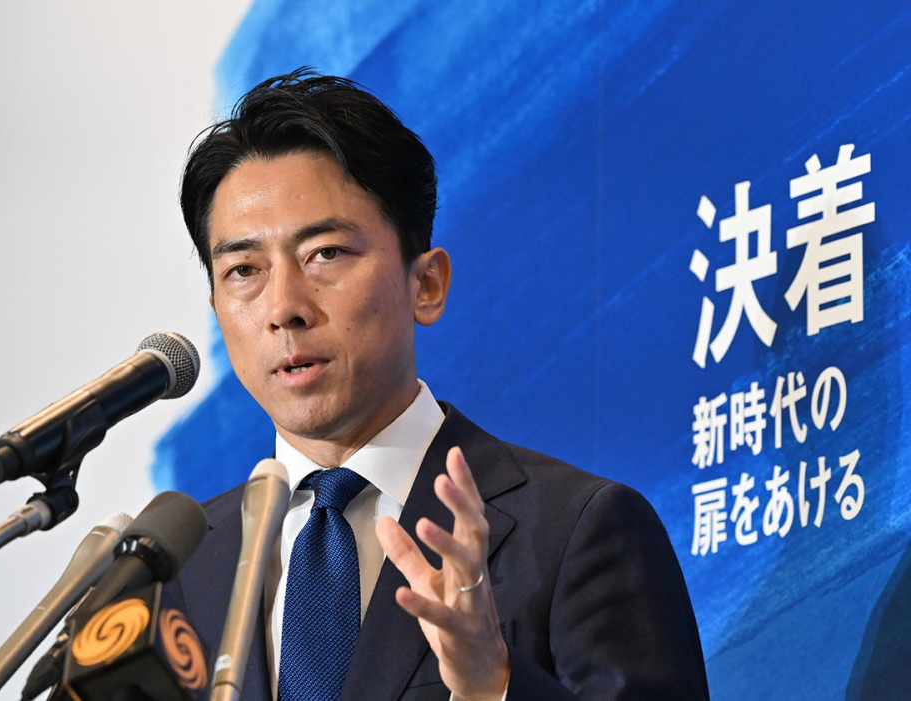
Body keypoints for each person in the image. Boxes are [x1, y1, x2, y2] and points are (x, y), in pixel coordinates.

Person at [172, 69, 709, 701]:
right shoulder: (177, 572)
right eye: (244, 269)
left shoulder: (576, 531)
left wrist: (493, 685)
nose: (283, 307)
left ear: (425, 284)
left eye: (326, 253)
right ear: (217, 308)